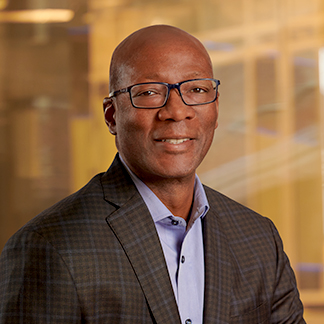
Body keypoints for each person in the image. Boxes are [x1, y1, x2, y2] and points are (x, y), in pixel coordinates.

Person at [0, 25, 305, 324]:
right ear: (112, 116)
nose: (176, 111)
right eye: (148, 92)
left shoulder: (259, 238)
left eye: (196, 89)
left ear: (216, 108)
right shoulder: (50, 247)